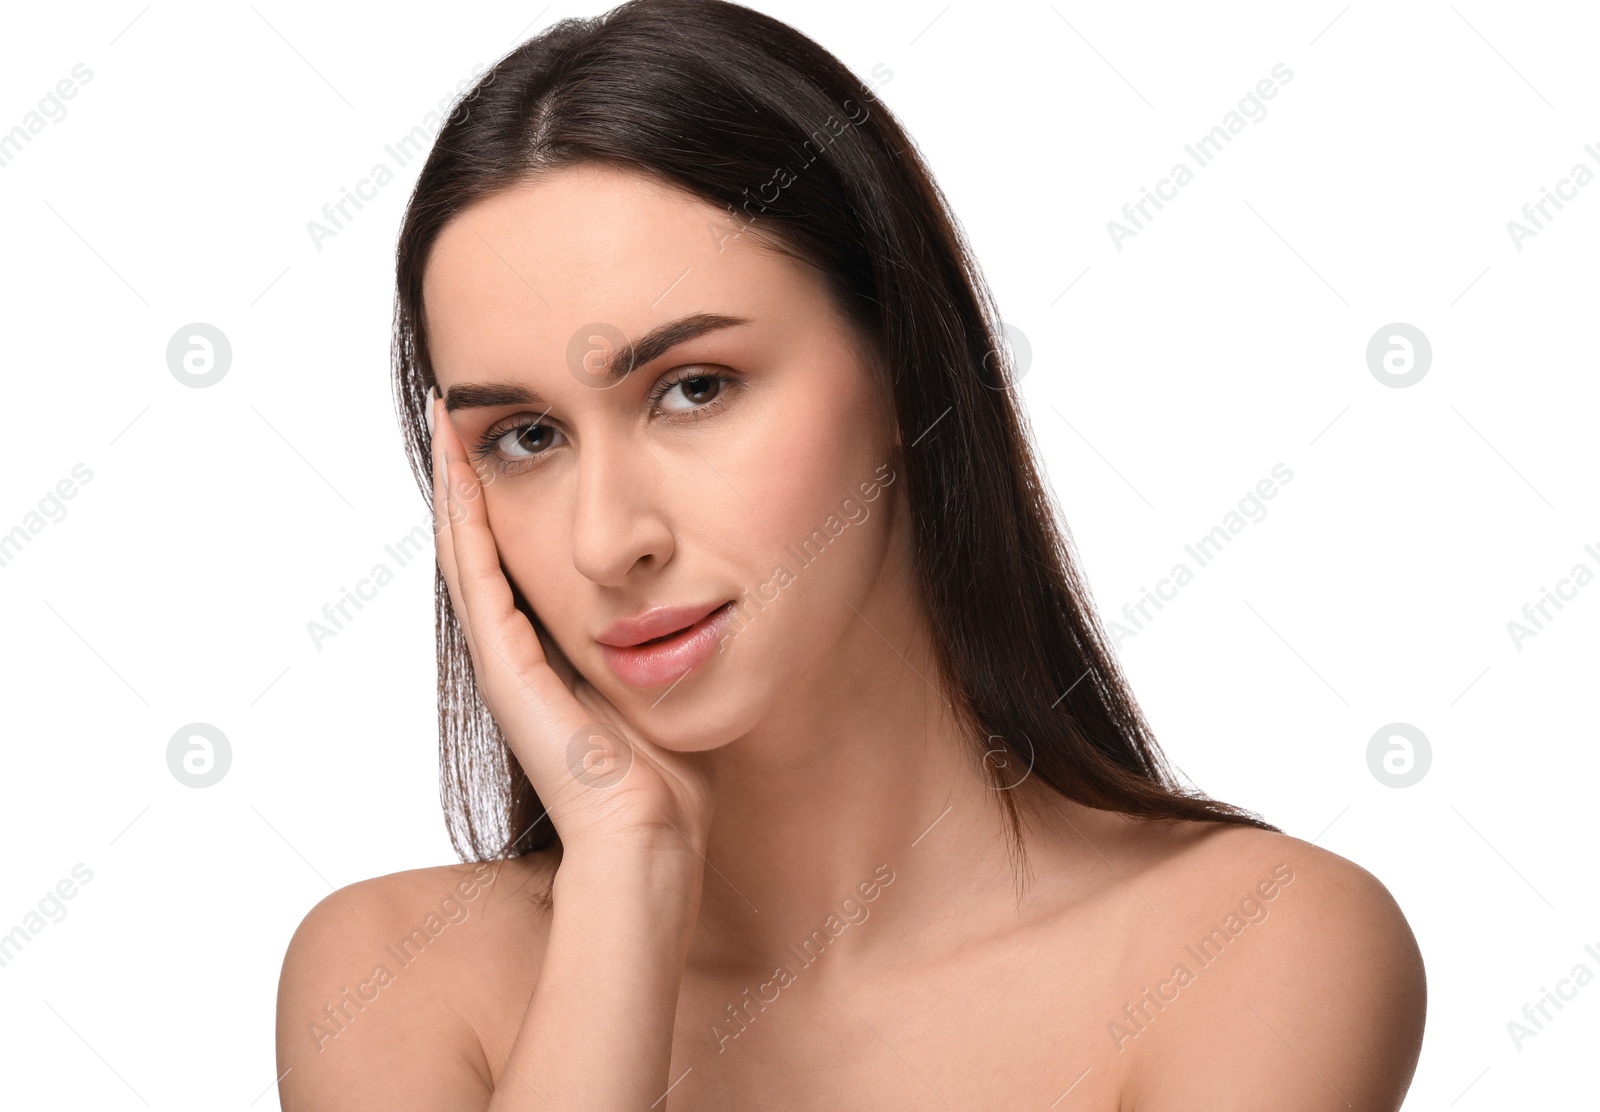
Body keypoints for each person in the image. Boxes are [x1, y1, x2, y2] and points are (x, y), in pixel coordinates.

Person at [275, 1, 1425, 1107]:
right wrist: (625, 875)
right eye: (524, 438)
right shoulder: (391, 979)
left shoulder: (1255, 948)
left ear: (901, 371)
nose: (607, 538)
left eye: (692, 388)